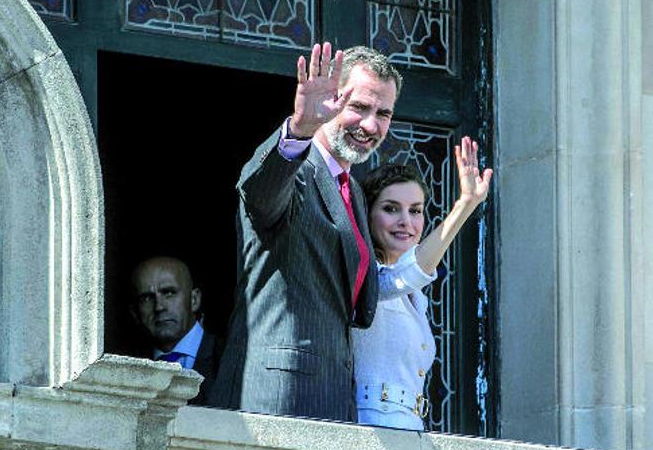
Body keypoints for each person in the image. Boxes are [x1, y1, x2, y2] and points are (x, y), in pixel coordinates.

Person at [209, 42, 492, 421]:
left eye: (383, 113)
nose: (371, 125)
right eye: (358, 107)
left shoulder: (352, 191)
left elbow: (378, 288)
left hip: (337, 406)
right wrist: (299, 129)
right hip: (274, 401)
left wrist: (464, 206)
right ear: (330, 98)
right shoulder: (299, 166)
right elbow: (259, 194)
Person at [352, 143, 491, 430]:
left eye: (415, 211)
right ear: (367, 214)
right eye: (391, 209)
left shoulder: (416, 297)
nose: (406, 222)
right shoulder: (361, 274)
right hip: (368, 427)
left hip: (411, 430)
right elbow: (400, 277)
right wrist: (465, 205)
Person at [129, 256, 222, 405]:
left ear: (194, 300)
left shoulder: (228, 359)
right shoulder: (128, 369)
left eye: (169, 293)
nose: (159, 307)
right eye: (146, 298)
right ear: (135, 313)